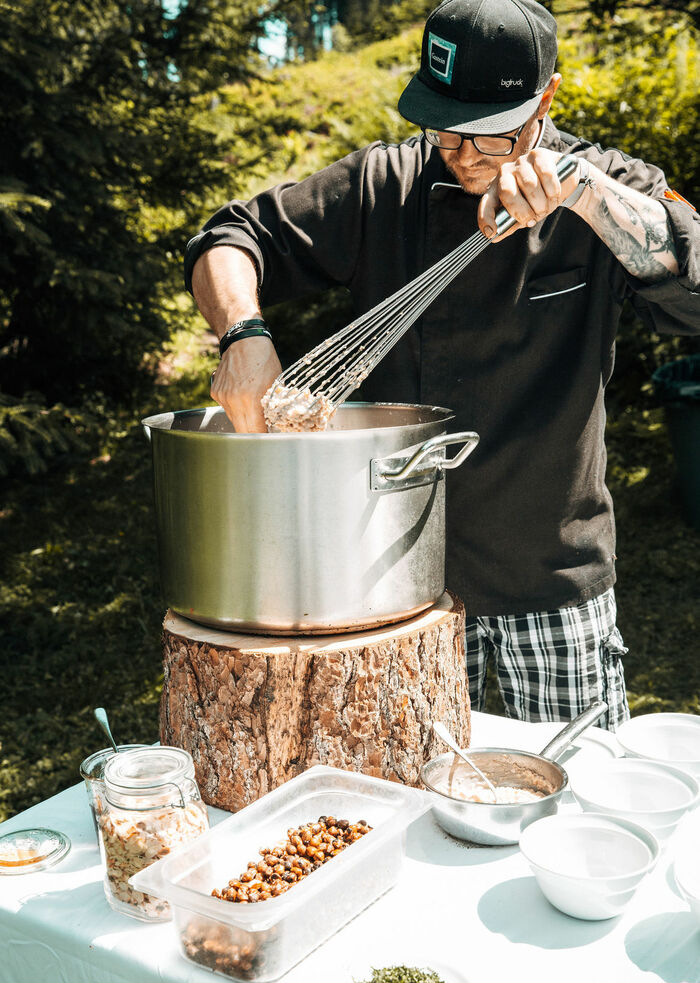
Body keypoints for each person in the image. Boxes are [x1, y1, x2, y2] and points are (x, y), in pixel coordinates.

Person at [184, 0, 700, 730]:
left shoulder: (603, 188)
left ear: (545, 98)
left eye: (489, 137)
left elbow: (692, 273)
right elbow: (231, 235)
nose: (460, 156)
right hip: (398, 594)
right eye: (442, 129)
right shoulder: (383, 187)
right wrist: (242, 331)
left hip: (552, 590)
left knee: (569, 810)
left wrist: (581, 192)